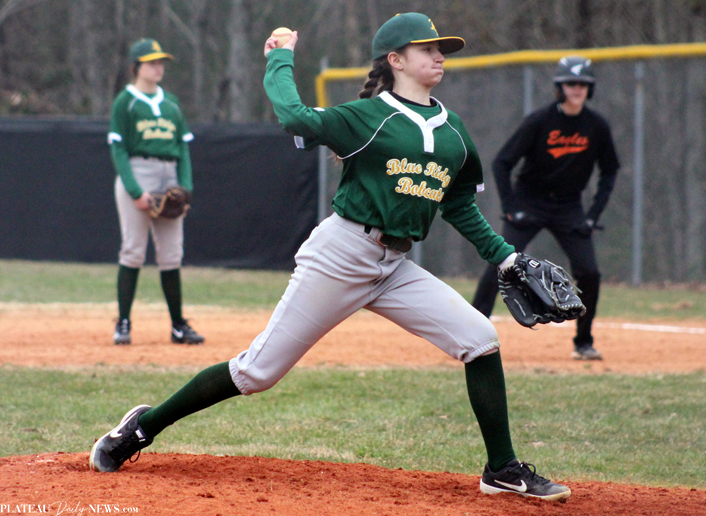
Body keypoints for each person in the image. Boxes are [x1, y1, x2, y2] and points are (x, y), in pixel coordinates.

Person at [90, 14, 570, 501]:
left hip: (395, 266)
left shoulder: (454, 132)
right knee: (256, 372)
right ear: (396, 59)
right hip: (341, 255)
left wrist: (507, 259)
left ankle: (501, 468)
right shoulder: (369, 116)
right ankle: (141, 428)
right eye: (426, 48)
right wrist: (280, 58)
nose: (438, 56)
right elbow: (295, 118)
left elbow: (459, 206)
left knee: (480, 338)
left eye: (440, 49)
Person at [472, 56, 620, 361]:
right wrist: (511, 207)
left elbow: (610, 170)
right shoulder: (540, 121)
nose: (576, 88)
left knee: (589, 272)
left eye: (582, 84)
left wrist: (592, 216)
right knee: (499, 261)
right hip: (530, 201)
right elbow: (502, 162)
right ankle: (470, 332)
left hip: (569, 206)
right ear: (559, 87)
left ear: (590, 88)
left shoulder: (596, 126)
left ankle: (583, 342)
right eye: (570, 83)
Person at [107, 38, 204, 346]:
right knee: (133, 251)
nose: (158, 67)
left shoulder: (171, 103)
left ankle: (178, 326)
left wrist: (185, 188)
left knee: (172, 254)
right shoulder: (126, 101)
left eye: (161, 62)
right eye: (152, 62)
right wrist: (135, 191)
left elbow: (183, 149)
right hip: (139, 171)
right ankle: (123, 323)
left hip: (169, 174)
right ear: (137, 67)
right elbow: (118, 149)